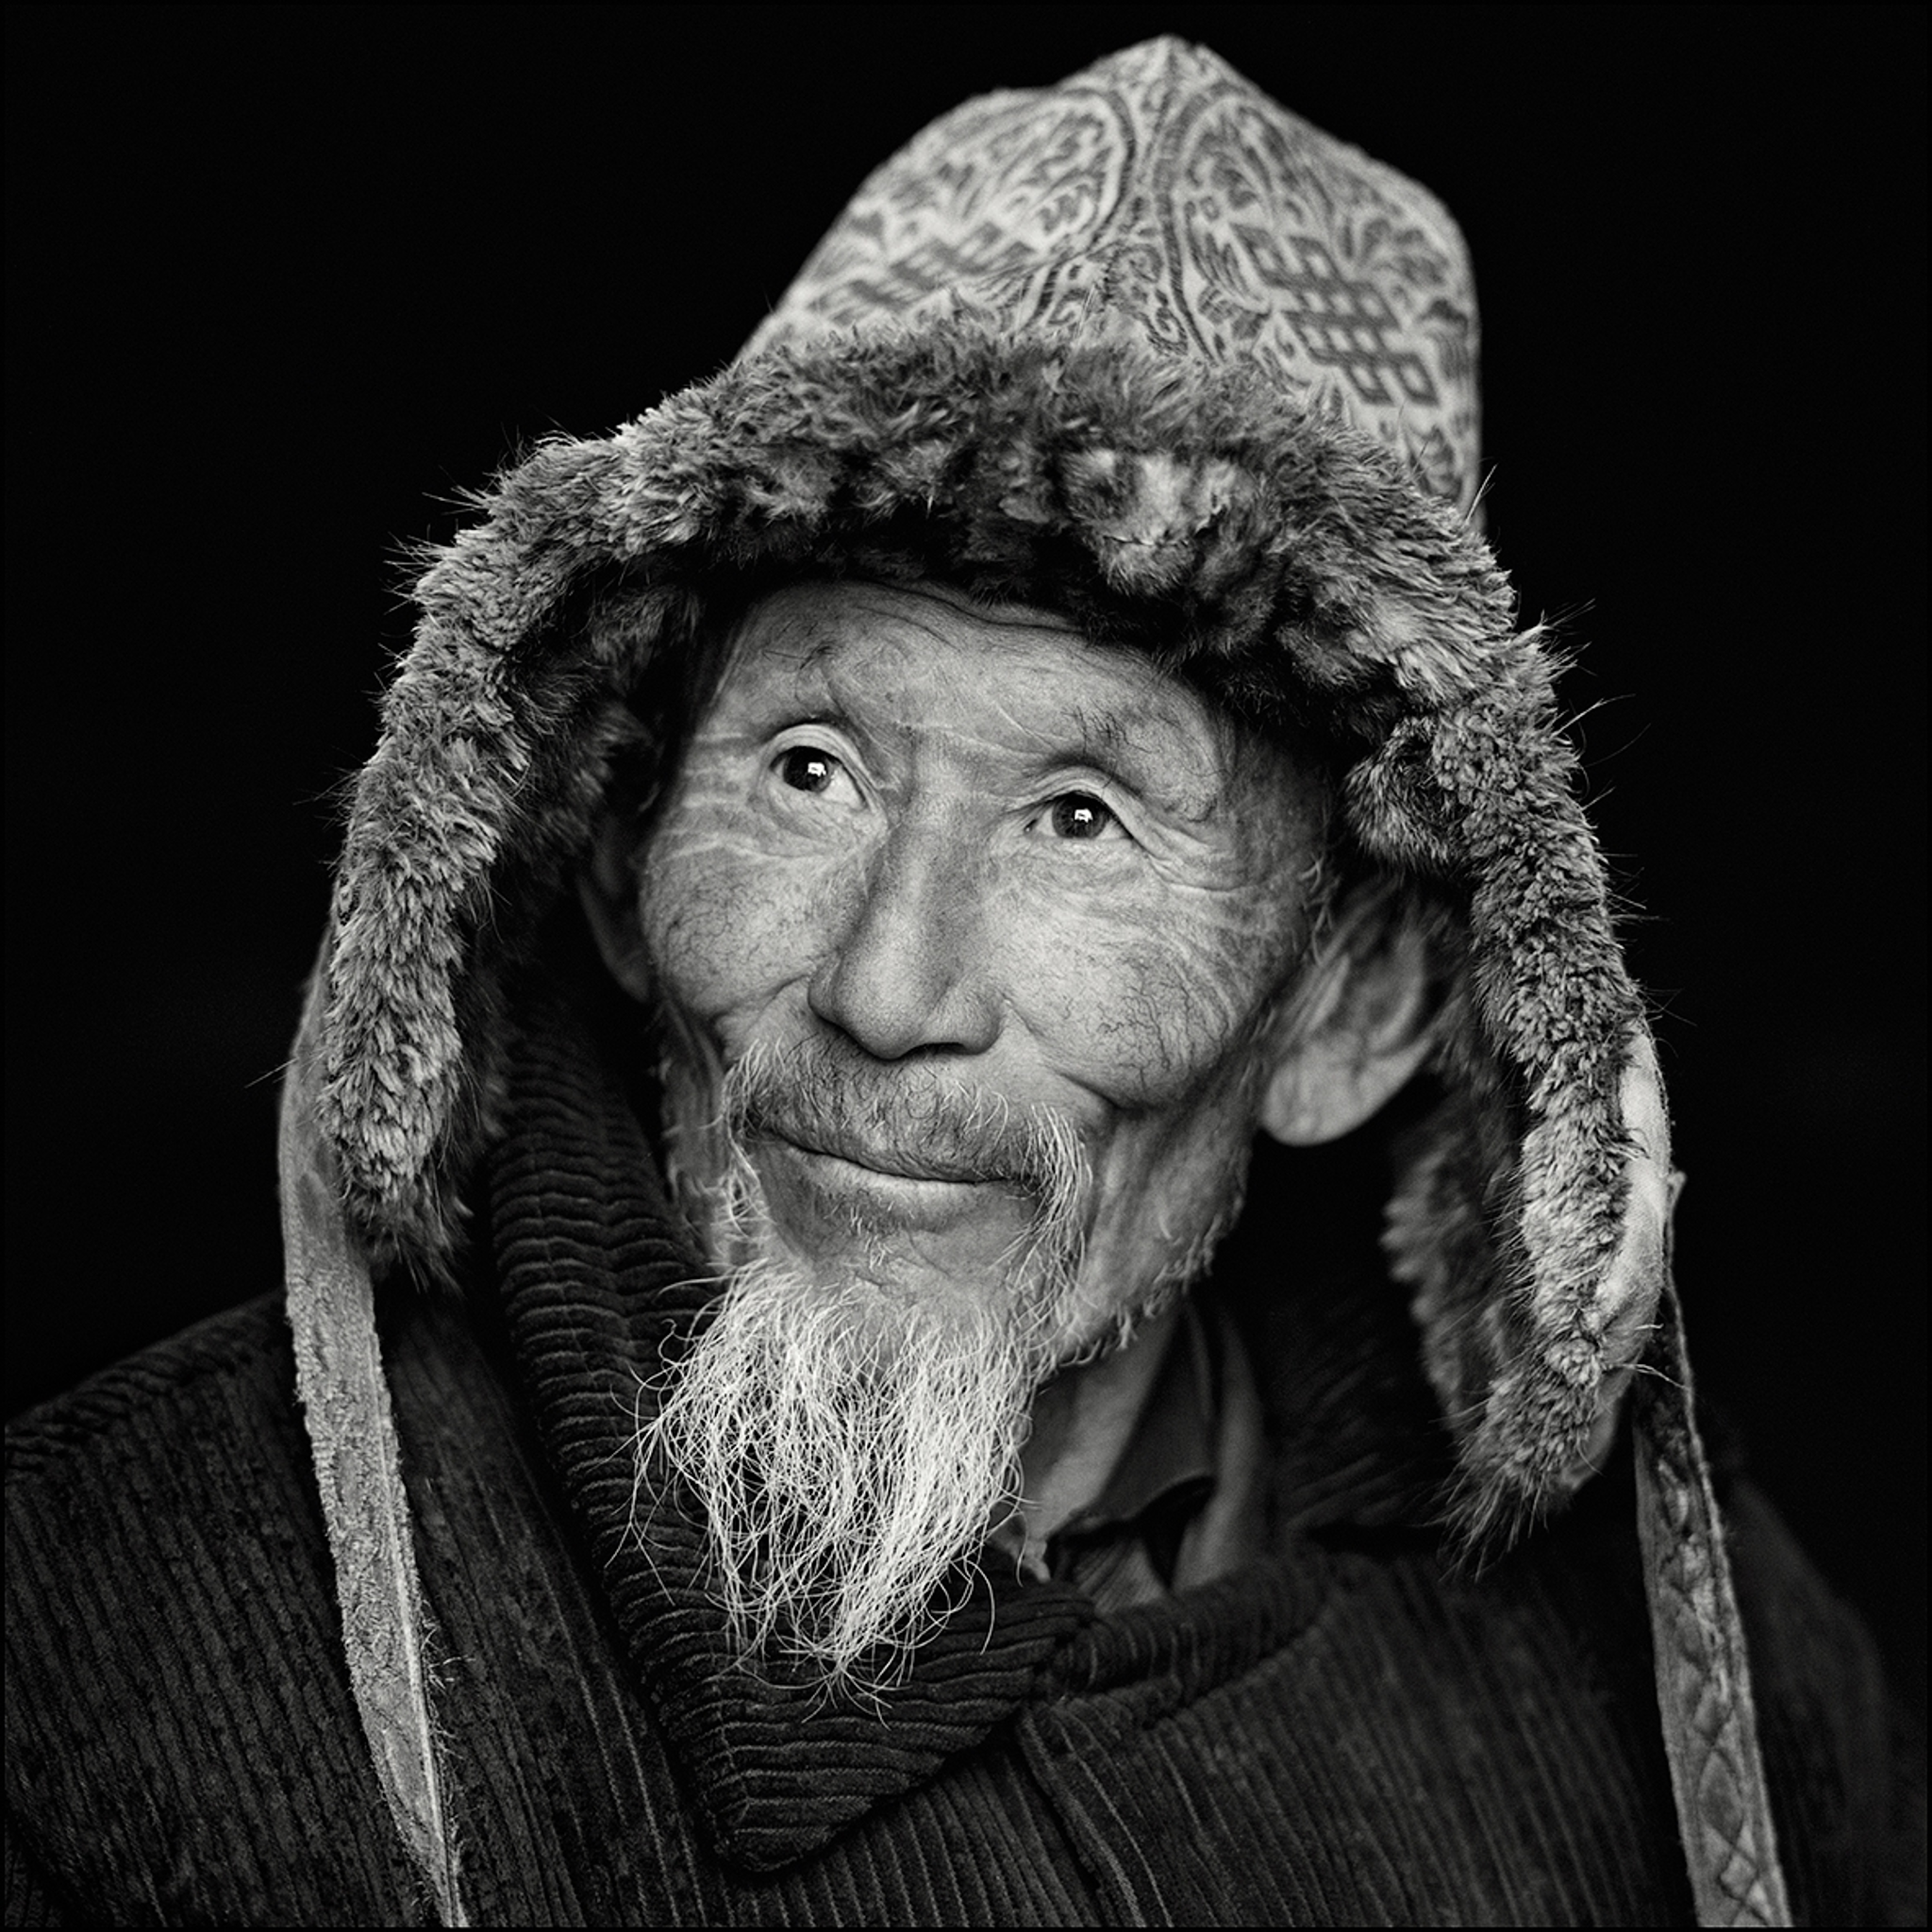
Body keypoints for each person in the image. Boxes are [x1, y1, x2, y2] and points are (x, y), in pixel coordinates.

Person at [5, 37, 1919, 1928]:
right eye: (809, 770)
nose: (889, 987)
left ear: (1350, 1014)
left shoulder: (1696, 1662)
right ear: (611, 855)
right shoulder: (118, 1651)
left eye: (1079, 818)